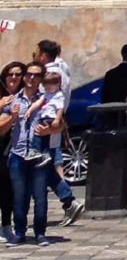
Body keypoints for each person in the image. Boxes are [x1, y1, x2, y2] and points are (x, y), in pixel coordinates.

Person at [5, 63, 59, 245]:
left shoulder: (47, 99)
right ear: (24, 77)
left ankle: (40, 233)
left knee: (40, 197)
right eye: (29, 74)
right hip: (18, 153)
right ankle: (19, 232)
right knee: (19, 196)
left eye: (36, 76)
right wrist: (11, 118)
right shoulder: (14, 100)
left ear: (41, 79)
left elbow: (61, 124)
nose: (31, 78)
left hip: (39, 155)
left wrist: (49, 130)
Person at [29, 45, 78, 227]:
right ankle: (68, 201)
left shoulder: (50, 74)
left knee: (42, 166)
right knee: (46, 166)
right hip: (51, 127)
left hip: (45, 127)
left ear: (43, 55)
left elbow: (46, 101)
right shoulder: (62, 70)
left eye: (36, 53)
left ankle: (68, 200)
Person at [0, 63, 22, 243]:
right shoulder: (2, 97)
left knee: (13, 190)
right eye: (10, 74)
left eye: (17, 74)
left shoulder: (25, 96)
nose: (13, 77)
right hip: (2, 147)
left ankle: (8, 226)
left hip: (19, 148)